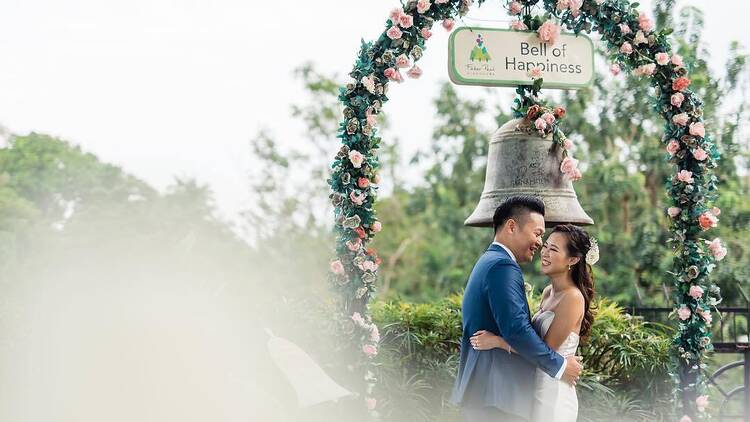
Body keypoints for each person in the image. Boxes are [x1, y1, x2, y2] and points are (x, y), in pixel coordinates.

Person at [451, 195, 583, 422]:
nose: (540, 243)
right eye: (538, 234)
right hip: (497, 394)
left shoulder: (489, 261)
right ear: (512, 226)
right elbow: (516, 330)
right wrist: (560, 366)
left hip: (493, 393)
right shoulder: (503, 266)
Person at [470, 224, 598, 422]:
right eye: (545, 246)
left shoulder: (572, 298)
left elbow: (544, 349)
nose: (544, 253)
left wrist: (497, 341)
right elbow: (530, 339)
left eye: (553, 249)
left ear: (572, 260)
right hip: (533, 384)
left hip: (553, 392)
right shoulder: (548, 292)